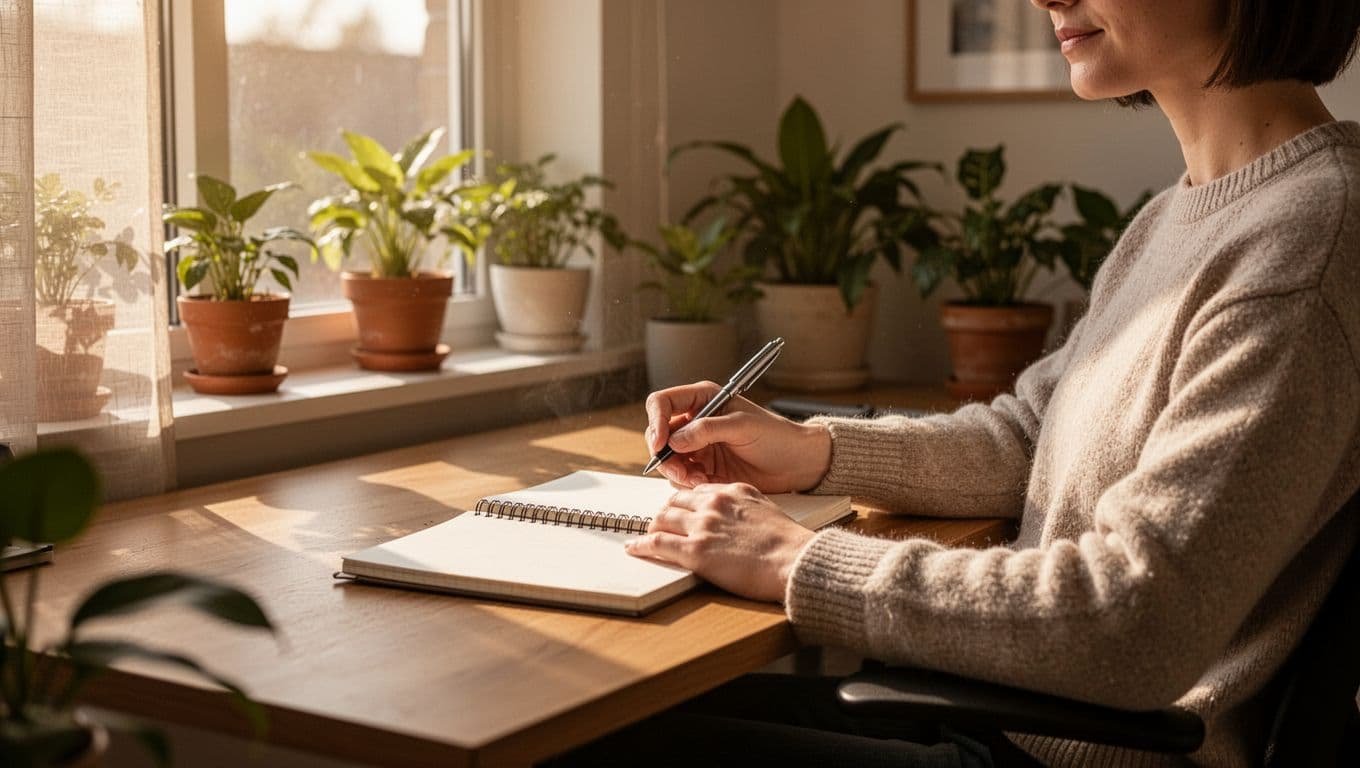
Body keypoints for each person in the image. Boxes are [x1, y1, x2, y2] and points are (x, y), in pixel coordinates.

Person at [551, 1, 1360, 766]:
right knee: (609, 711)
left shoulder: (1309, 239)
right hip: (1008, 717)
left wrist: (797, 560)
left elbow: (1134, 619)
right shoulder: (1178, 218)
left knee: (575, 741)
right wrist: (813, 452)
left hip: (1063, 751)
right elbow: (1030, 435)